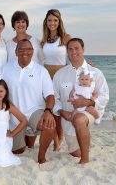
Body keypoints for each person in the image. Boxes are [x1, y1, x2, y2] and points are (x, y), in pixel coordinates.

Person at [53, 38, 109, 164]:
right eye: (70, 49)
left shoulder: (95, 72)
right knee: (74, 153)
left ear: (83, 49)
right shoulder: (60, 74)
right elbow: (54, 97)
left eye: (77, 48)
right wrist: (61, 111)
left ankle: (85, 159)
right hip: (68, 119)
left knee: (79, 119)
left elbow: (104, 95)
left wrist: (89, 102)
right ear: (67, 52)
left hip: (89, 113)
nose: (74, 52)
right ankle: (84, 141)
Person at [2, 39, 55, 164]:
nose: (24, 52)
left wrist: (48, 111)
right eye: (21, 49)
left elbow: (50, 95)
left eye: (28, 49)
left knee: (49, 124)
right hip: (14, 114)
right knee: (18, 151)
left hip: (34, 111)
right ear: (16, 52)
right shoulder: (5, 68)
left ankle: (41, 157)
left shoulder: (41, 70)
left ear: (32, 52)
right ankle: (27, 136)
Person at [41, 9, 71, 151]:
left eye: (55, 20)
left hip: (61, 75)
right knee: (50, 109)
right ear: (46, 22)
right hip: (47, 75)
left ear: (59, 22)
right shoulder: (43, 41)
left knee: (60, 109)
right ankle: (56, 140)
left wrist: (86, 63)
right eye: (50, 20)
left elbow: (74, 53)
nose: (52, 23)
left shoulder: (65, 37)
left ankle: (60, 138)